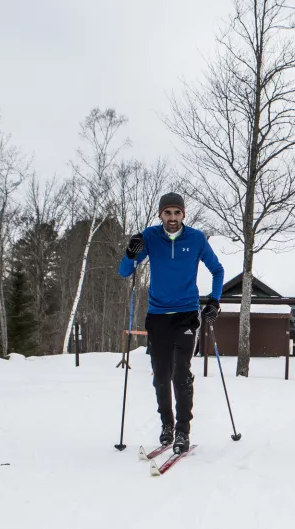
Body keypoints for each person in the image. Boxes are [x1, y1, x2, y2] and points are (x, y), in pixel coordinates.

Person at [119, 192, 224, 454]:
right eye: (168, 213)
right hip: (158, 315)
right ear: (161, 215)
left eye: (177, 213)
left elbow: (217, 270)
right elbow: (125, 271)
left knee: (180, 373)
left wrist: (214, 301)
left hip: (186, 314)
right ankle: (167, 425)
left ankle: (183, 430)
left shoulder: (196, 239)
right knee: (161, 375)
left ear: (183, 214)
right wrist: (130, 253)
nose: (173, 218)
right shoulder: (150, 237)